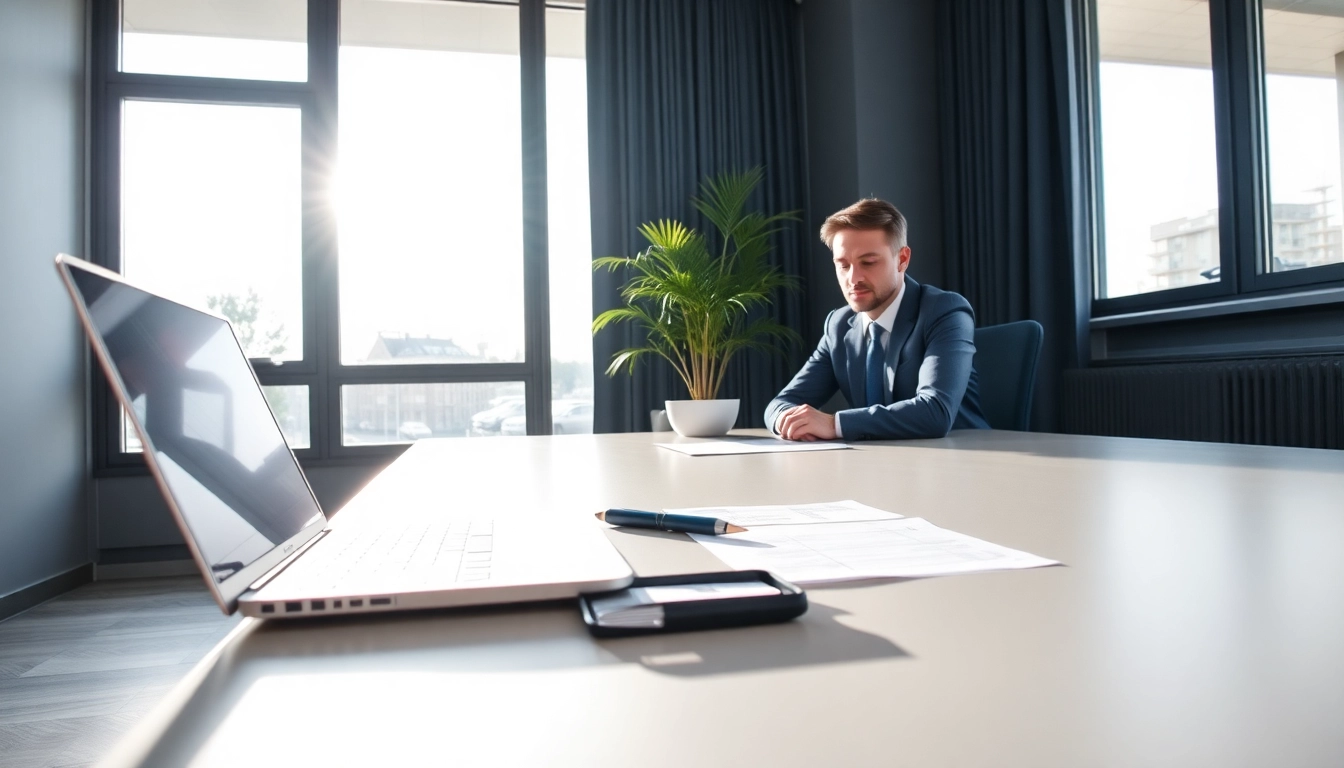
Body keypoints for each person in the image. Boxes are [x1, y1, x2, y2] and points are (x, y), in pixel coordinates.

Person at [765, 198, 990, 440]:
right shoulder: (839, 326)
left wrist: (834, 424)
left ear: (902, 259)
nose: (854, 278)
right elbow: (782, 403)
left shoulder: (943, 311)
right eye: (843, 265)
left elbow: (935, 412)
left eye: (868, 262)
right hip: (879, 465)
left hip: (961, 462)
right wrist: (788, 421)